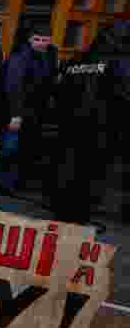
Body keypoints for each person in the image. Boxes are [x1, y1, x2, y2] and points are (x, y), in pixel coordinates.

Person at [51, 21, 130, 225]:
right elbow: (124, 95)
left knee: (66, 167)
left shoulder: (75, 60)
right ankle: (79, 215)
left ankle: (61, 211)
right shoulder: (119, 62)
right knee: (90, 173)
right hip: (101, 126)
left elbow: (58, 92)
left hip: (68, 124)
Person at [0, 22, 58, 192]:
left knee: (26, 148)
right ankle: (2, 184)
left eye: (45, 40)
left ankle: (16, 183)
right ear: (30, 39)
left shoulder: (51, 55)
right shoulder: (20, 56)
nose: (41, 43)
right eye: (37, 39)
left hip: (37, 111)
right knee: (10, 148)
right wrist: (16, 114)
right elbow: (13, 86)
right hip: (18, 110)